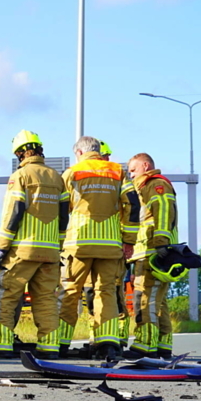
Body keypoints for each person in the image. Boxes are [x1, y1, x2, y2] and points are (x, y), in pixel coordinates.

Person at [0, 130, 67, 359]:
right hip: (50, 252)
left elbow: (13, 212)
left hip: (22, 251)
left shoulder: (20, 176)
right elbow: (64, 217)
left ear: (21, 153)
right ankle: (49, 347)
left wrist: (2, 246)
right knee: (46, 299)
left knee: (7, 295)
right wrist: (57, 246)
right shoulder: (56, 178)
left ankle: (1, 345)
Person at [56, 137, 128, 360]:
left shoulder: (72, 172)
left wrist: (59, 241)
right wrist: (130, 241)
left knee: (69, 291)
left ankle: (60, 344)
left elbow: (61, 209)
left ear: (79, 152)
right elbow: (131, 204)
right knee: (105, 292)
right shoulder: (118, 171)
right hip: (110, 243)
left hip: (78, 243)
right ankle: (107, 344)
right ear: (98, 151)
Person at [124, 153, 178, 359]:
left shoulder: (155, 185)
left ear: (146, 166)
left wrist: (161, 244)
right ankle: (163, 346)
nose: (131, 175)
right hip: (148, 250)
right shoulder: (145, 186)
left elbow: (163, 212)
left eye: (133, 170)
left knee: (144, 298)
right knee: (158, 301)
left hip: (151, 251)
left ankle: (144, 345)